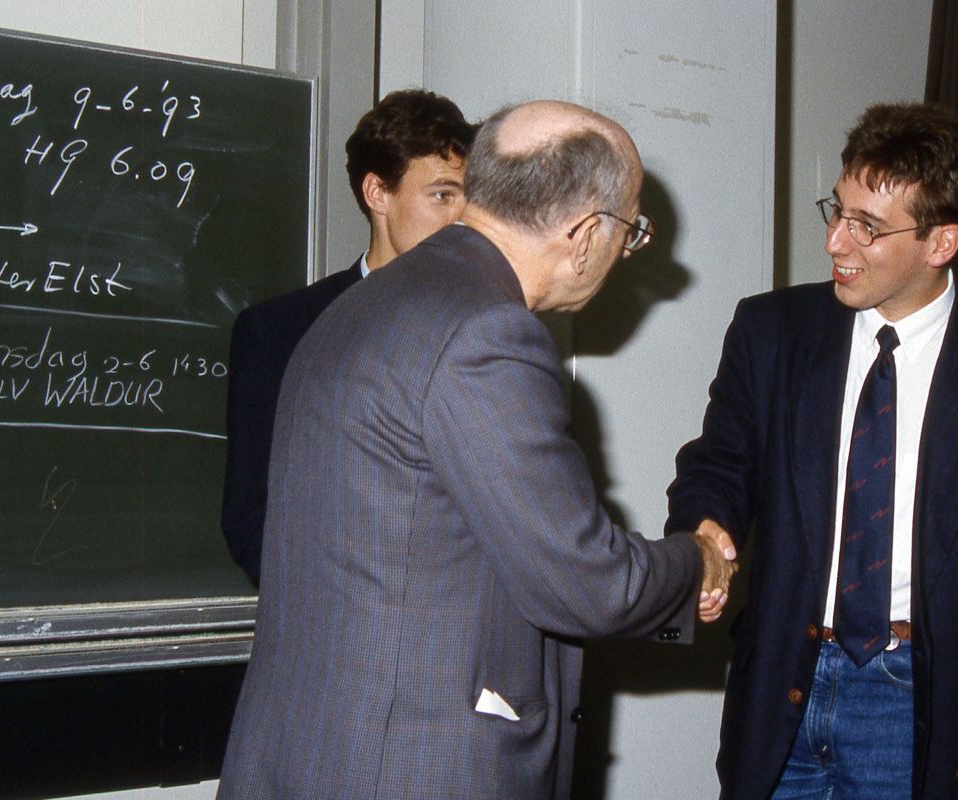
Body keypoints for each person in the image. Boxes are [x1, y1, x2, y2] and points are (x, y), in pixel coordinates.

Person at [217, 99, 736, 799]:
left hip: (312, 751)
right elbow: (585, 582)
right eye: (631, 232)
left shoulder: (364, 302)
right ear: (587, 233)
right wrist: (695, 560)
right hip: (409, 766)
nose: (624, 253)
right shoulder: (488, 331)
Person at [666, 102, 958, 800]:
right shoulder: (770, 331)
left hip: (920, 710)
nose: (836, 241)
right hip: (782, 693)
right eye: (838, 211)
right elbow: (719, 462)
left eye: (867, 226)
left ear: (941, 243)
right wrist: (706, 528)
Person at [220, 89, 475, 584]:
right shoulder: (280, 331)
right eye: (443, 195)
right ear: (378, 193)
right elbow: (253, 522)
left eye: (469, 199)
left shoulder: (488, 330)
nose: (462, 219)